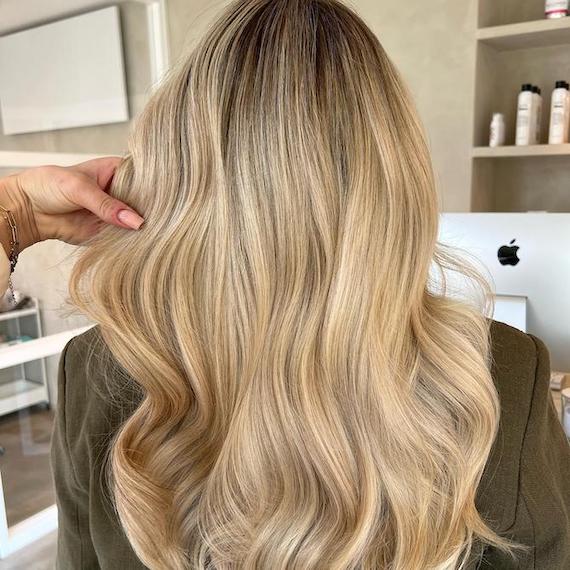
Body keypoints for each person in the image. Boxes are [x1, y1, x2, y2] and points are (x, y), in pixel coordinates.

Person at [2, 0, 569, 568]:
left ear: (167, 174)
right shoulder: (501, 374)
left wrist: (16, 212)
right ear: (395, 185)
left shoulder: (96, 369)